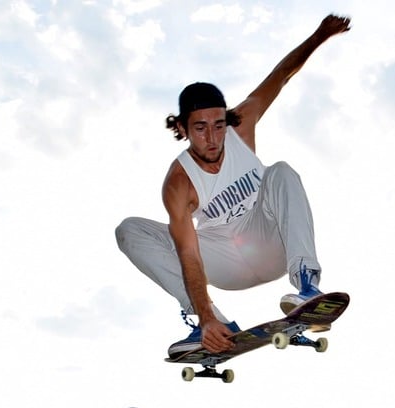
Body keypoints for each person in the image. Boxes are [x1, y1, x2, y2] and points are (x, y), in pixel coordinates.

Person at [115, 14, 352, 356]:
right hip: (221, 260)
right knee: (129, 230)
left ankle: (305, 284)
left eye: (218, 125)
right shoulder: (178, 182)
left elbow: (281, 75)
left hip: (269, 241)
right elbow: (188, 253)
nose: (213, 138)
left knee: (281, 171)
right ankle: (210, 324)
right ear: (181, 128)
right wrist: (207, 314)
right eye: (200, 128)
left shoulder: (241, 127)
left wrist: (321, 35)